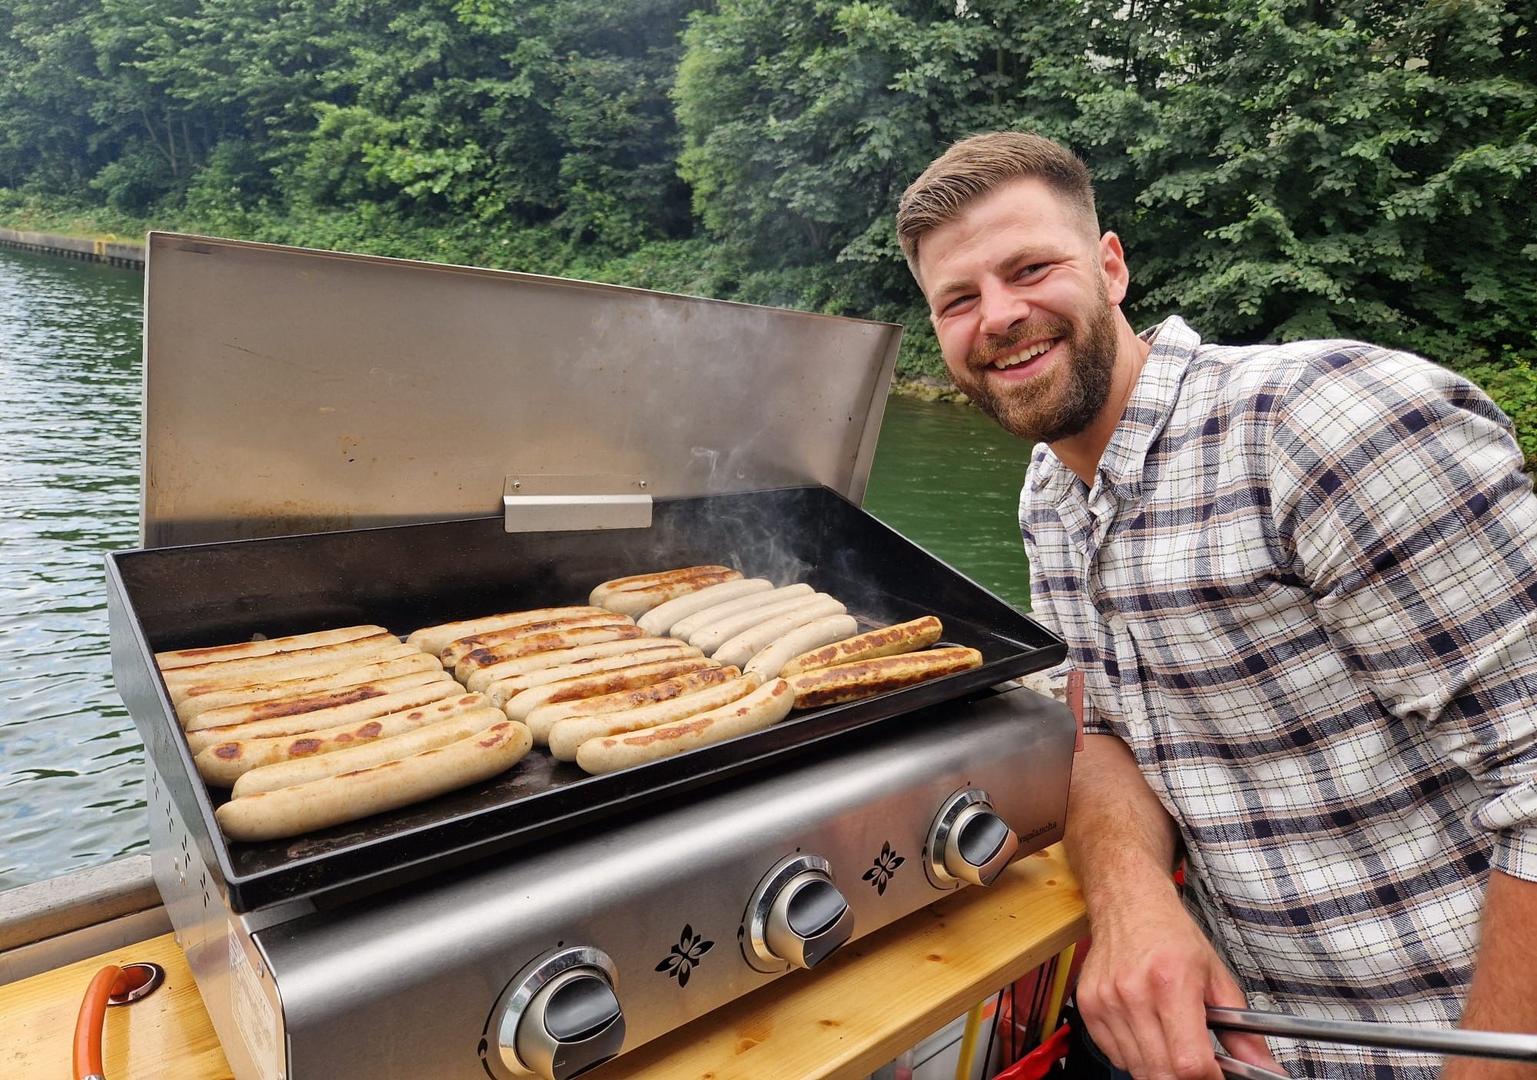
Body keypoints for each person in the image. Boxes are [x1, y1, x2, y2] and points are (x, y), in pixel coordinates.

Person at [894, 131, 1537, 1079]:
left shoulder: (1318, 422)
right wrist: (1129, 896)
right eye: (958, 299)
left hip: (1441, 1043)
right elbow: (1101, 732)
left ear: (1111, 267)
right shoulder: (1050, 493)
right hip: (1245, 1046)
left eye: (1029, 268)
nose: (998, 315)